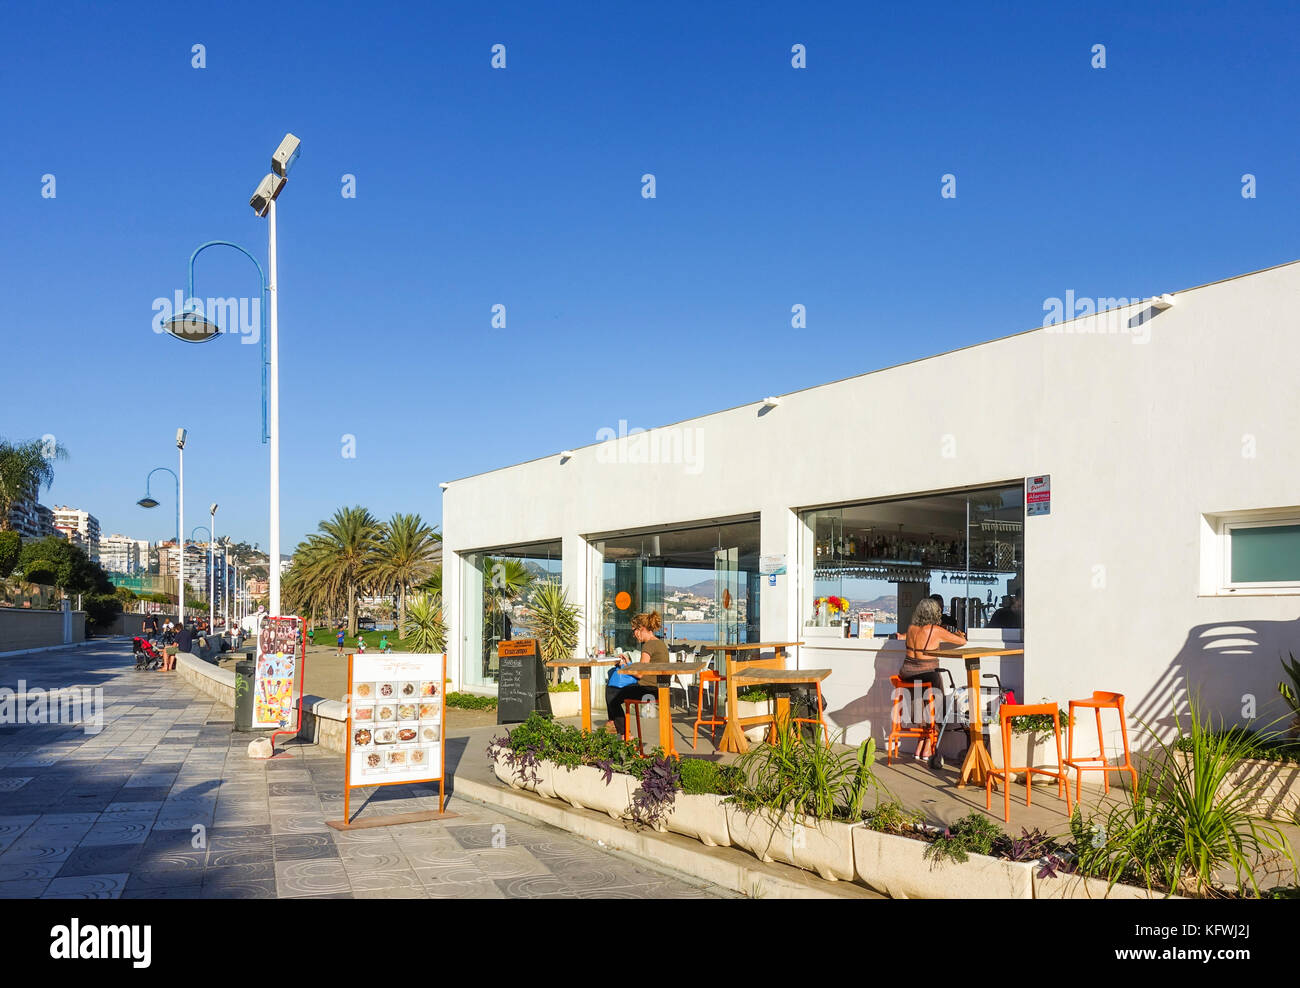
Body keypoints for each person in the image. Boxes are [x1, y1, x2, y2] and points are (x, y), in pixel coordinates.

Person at [897, 597, 966, 761]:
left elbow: (901, 637)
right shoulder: (936, 630)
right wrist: (958, 634)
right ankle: (928, 745)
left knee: (922, 706)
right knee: (938, 705)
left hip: (906, 674)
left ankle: (921, 743)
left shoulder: (911, 628)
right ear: (936, 612)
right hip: (927, 675)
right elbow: (962, 641)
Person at [604, 611, 668, 736]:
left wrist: (624, 666)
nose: (634, 635)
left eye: (634, 631)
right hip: (659, 688)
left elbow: (639, 674)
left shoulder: (648, 645)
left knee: (611, 693)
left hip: (648, 689)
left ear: (641, 629)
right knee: (612, 692)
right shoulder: (660, 644)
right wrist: (629, 663)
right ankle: (616, 726)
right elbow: (645, 668)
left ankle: (623, 733)